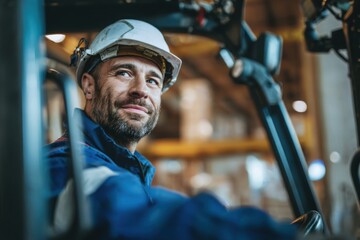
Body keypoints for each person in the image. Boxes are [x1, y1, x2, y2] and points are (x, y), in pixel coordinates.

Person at [46, 19, 298, 239]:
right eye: (123, 73)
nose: (141, 89)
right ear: (89, 86)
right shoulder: (63, 164)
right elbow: (125, 208)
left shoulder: (125, 169)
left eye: (153, 80)